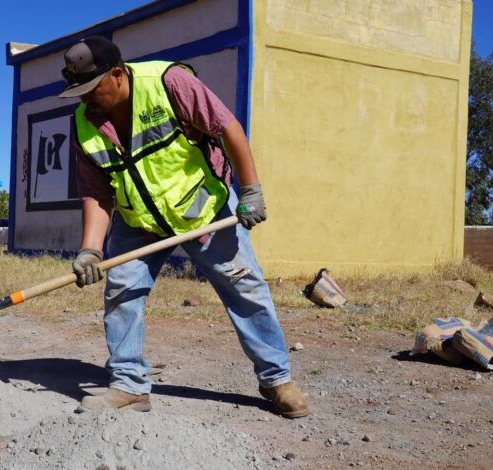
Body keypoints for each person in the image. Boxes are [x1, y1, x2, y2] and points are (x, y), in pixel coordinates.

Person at [58, 36, 308, 419]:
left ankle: (277, 380)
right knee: (122, 293)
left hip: (203, 210)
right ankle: (129, 385)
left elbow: (228, 128)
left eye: (92, 88)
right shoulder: (83, 124)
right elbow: (96, 192)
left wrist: (251, 191)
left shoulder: (168, 83)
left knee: (245, 288)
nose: (85, 99)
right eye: (79, 91)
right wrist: (90, 248)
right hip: (139, 221)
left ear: (118, 74)